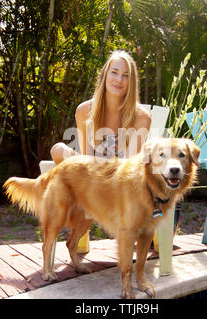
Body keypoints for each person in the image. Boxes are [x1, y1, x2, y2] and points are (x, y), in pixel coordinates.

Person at [49, 50, 152, 252]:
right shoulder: (84, 111)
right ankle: (79, 221)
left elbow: (129, 167)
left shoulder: (141, 116)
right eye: (114, 72)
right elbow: (86, 156)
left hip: (119, 180)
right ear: (105, 74)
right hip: (91, 172)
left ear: (132, 82)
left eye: (126, 75)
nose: (119, 80)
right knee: (58, 149)